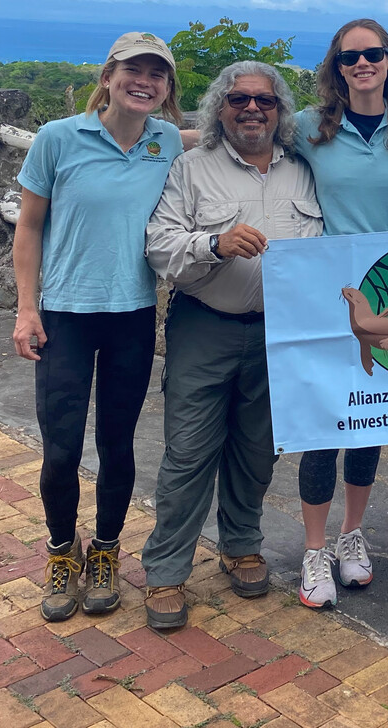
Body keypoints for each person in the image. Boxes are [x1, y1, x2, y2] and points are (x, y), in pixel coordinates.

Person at [140, 62, 322, 630]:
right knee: (189, 451)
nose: (252, 109)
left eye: (264, 101)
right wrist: (214, 243)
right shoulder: (191, 170)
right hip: (205, 324)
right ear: (220, 108)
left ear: (280, 111)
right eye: (239, 99)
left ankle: (241, 543)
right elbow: (159, 246)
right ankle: (167, 570)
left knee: (257, 448)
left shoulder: (304, 172)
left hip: (280, 332)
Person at [11, 31, 184, 623]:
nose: (145, 82)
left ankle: (106, 549)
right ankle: (63, 551)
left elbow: (224, 138)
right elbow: (29, 226)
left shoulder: (166, 141)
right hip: (63, 314)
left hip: (133, 314)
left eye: (157, 75)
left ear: (166, 89)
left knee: (117, 443)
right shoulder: (58, 139)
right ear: (108, 76)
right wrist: (26, 307)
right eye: (133, 70)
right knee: (60, 449)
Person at [290, 19, 388, 609]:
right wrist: (167, 141)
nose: (363, 64)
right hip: (330, 291)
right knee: (324, 425)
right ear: (337, 66)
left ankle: (353, 536)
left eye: (373, 54)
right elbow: (240, 137)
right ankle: (314, 548)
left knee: (373, 421)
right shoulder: (307, 127)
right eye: (351, 57)